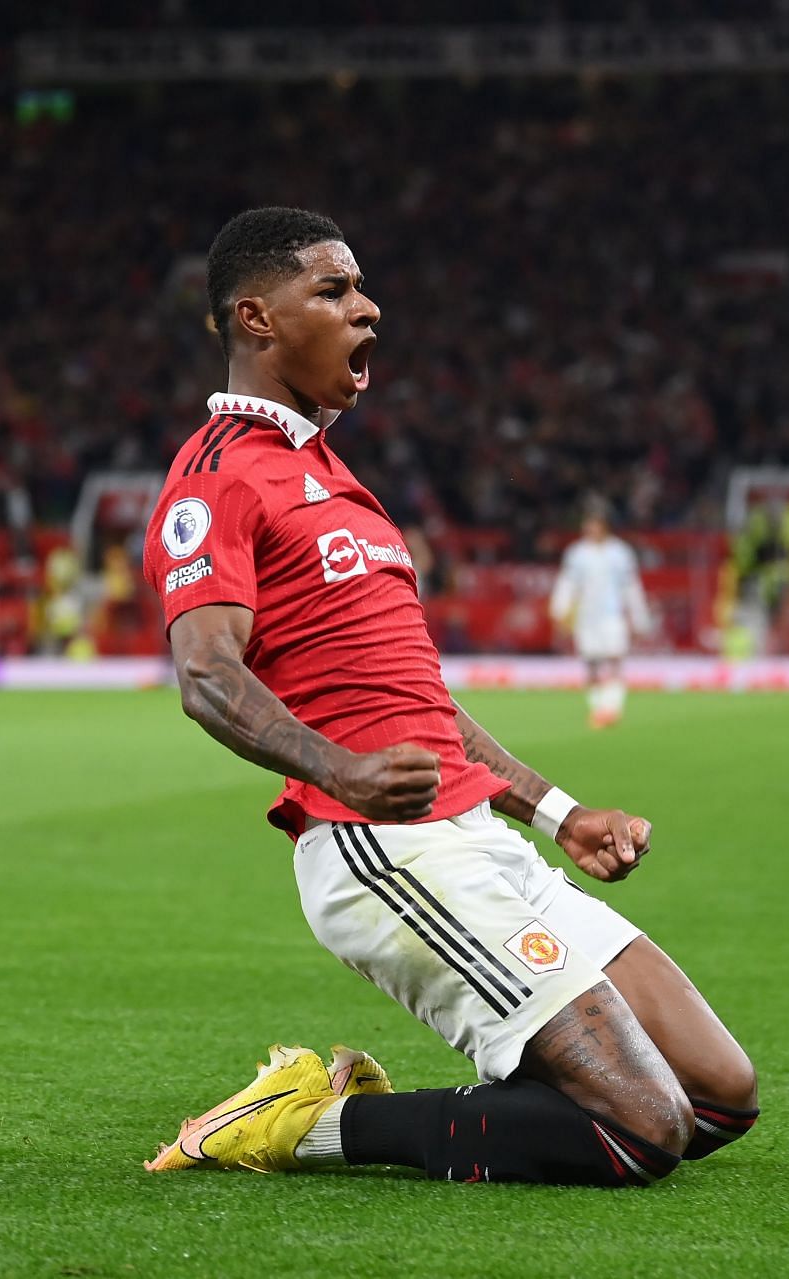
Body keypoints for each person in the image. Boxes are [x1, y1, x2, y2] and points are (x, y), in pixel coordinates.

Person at [139, 208, 756, 1187]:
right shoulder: (216, 480)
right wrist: (337, 766)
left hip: (478, 837)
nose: (368, 309)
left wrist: (559, 812)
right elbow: (207, 675)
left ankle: (516, 1102)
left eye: (362, 287)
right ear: (255, 319)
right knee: (642, 1132)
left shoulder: (337, 480)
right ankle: (301, 1125)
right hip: (380, 844)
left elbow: (427, 706)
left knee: (719, 1093)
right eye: (334, 291)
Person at [549, 504, 656, 728]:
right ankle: (598, 708)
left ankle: (612, 708)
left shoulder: (620, 553)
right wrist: (559, 610)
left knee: (615, 659)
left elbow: (631, 587)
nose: (590, 529)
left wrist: (639, 617)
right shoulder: (577, 554)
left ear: (605, 527)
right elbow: (567, 584)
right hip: (586, 617)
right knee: (592, 663)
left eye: (594, 525)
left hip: (611, 616)